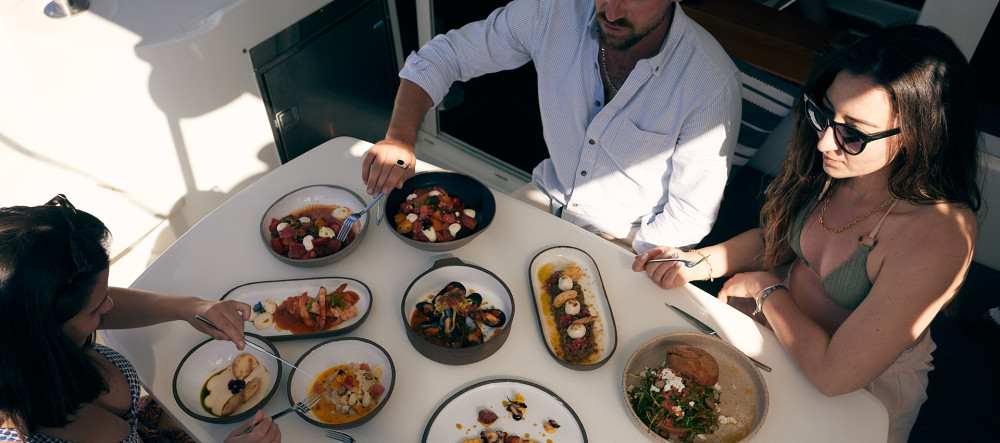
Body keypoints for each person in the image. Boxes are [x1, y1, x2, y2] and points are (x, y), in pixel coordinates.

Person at [632, 24, 980, 442]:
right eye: (824, 114)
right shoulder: (842, 164)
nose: (823, 143)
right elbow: (775, 239)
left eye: (852, 132)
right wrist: (698, 262)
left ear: (918, 135)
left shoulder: (938, 236)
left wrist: (765, 290)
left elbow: (835, 376)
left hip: (855, 393)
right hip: (777, 335)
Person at [361, 0, 741, 252]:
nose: (610, 11)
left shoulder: (710, 84)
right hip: (544, 197)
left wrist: (621, 261)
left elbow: (688, 217)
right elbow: (447, 55)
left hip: (630, 238)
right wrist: (398, 137)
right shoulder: (555, 10)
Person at [0, 195, 281, 442]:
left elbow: (102, 301)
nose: (109, 306)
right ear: (40, 329)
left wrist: (189, 307)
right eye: (95, 309)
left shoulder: (27, 340)